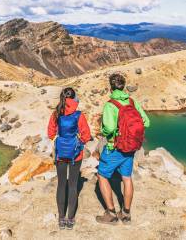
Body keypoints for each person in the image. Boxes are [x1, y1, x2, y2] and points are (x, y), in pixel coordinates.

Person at [96, 73, 150, 225]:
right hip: (131, 148)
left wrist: (110, 133)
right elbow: (146, 122)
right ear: (124, 86)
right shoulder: (132, 102)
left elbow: (109, 128)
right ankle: (126, 214)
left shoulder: (110, 105)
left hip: (115, 147)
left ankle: (111, 214)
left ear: (111, 86)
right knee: (126, 178)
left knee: (102, 176)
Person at [48, 87, 91, 230]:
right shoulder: (79, 115)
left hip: (60, 154)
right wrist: (79, 142)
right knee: (73, 185)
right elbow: (86, 135)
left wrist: (58, 140)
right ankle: (70, 218)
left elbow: (50, 132)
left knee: (61, 184)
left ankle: (61, 218)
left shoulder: (56, 113)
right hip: (75, 154)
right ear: (74, 99)